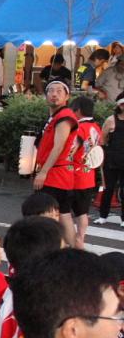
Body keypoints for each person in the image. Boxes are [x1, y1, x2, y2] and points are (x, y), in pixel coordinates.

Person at [34, 79, 79, 244]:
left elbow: (58, 147)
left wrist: (43, 172)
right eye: (50, 91)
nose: (54, 95)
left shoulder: (65, 116)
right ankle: (72, 251)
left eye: (59, 91)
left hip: (56, 173)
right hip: (58, 172)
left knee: (51, 214)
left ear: (67, 96)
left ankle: (62, 249)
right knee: (62, 213)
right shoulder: (56, 115)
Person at [70, 96, 102, 248]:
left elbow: (72, 150)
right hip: (88, 175)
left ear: (78, 110)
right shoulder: (96, 127)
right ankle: (81, 239)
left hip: (74, 175)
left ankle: (74, 241)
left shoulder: (79, 127)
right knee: (82, 212)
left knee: (64, 211)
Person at [97, 91, 124, 225]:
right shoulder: (110, 120)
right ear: (119, 105)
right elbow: (102, 139)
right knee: (108, 189)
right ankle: (103, 215)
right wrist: (101, 156)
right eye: (123, 104)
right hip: (111, 159)